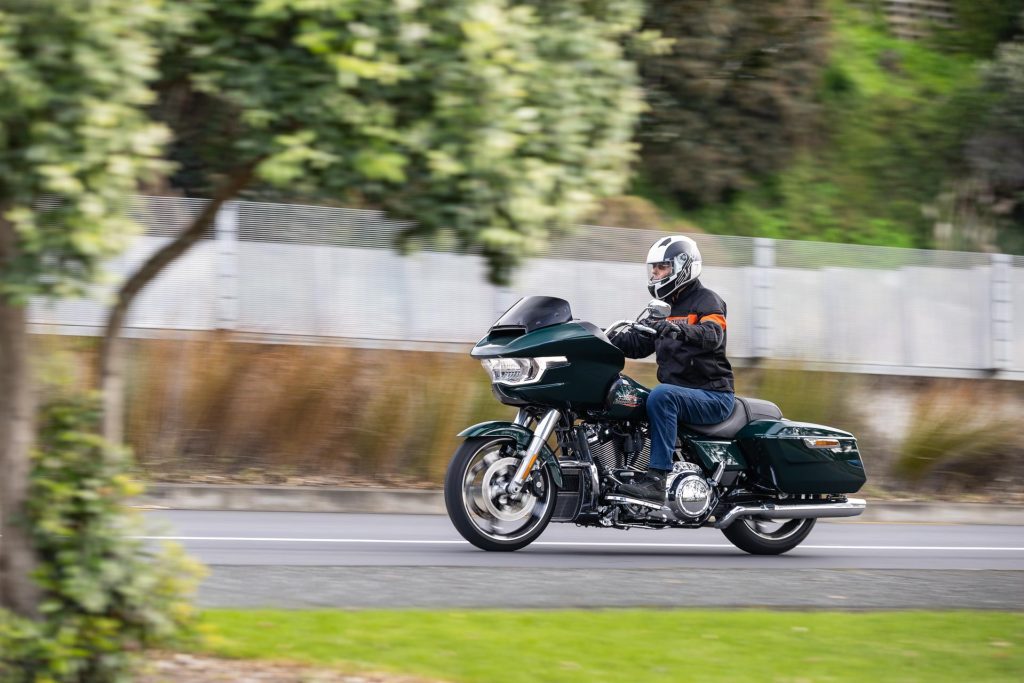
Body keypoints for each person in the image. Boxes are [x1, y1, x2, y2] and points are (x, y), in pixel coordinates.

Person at [609, 235, 735, 503]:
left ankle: (657, 479)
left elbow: (713, 334)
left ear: (683, 266)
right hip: (681, 394)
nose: (655, 273)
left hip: (712, 395)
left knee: (661, 395)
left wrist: (679, 329)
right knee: (627, 394)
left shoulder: (708, 301)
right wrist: (600, 337)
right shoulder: (662, 309)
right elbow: (638, 344)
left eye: (661, 267)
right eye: (653, 268)